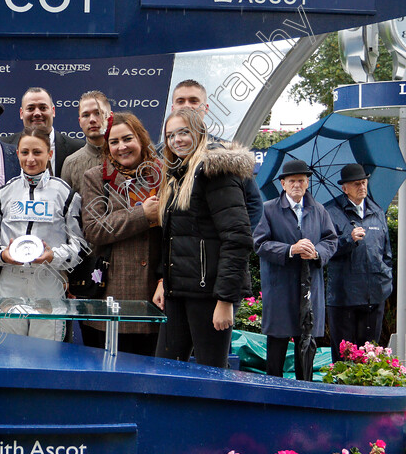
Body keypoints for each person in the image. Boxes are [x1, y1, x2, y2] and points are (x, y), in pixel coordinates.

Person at [153, 109, 254, 367]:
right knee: (166, 372)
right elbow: (173, 238)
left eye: (184, 132)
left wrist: (225, 300)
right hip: (178, 294)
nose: (177, 140)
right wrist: (164, 279)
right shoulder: (177, 176)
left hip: (209, 296)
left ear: (199, 133)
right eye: (170, 135)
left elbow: (238, 238)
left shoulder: (215, 172)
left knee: (212, 375)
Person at [0, 127, 86, 340]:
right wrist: (2, 255)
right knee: (7, 350)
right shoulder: (3, 193)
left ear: (50, 154)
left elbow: (80, 245)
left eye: (37, 152)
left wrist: (53, 257)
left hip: (48, 279)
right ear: (17, 153)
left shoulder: (65, 193)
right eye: (25, 152)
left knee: (46, 352)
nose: (30, 159)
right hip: (10, 279)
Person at [81, 112, 162, 354]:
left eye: (128, 139)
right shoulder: (96, 177)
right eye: (114, 142)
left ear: (141, 139)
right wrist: (142, 216)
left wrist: (163, 280)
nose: (121, 147)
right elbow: (94, 229)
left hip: (154, 293)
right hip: (110, 293)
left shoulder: (162, 174)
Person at [253, 159, 337, 378]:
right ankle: (272, 400)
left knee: (306, 349)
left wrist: (317, 252)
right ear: (283, 184)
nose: (297, 185)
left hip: (309, 291)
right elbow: (259, 243)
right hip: (280, 289)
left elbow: (331, 240)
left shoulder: (319, 210)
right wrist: (291, 249)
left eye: (301, 180)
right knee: (276, 354)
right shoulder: (268, 209)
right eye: (292, 181)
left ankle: (305, 397)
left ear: (307, 182)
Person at [171, 79, 263, 229]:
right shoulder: (158, 154)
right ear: (173, 107)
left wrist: (235, 243)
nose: (187, 105)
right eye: (181, 101)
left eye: (194, 101)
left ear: (205, 108)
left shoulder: (227, 153)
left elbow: (253, 204)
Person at [324, 163, 392, 362]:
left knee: (369, 355)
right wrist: (348, 240)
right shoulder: (330, 212)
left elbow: (386, 252)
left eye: (364, 182)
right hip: (343, 297)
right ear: (344, 188)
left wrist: (385, 280)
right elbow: (324, 251)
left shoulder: (377, 211)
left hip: (374, 295)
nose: (362, 187)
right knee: (344, 357)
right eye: (356, 184)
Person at [6, 87, 83, 177]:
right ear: (21, 113)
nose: (37, 113)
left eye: (43, 108)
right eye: (31, 108)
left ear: (53, 111)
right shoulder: (4, 146)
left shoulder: (77, 148)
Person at [62, 90, 111, 194]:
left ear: (110, 116)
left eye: (98, 113)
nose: (92, 120)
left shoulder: (125, 155)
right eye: (86, 115)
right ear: (80, 122)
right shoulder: (70, 164)